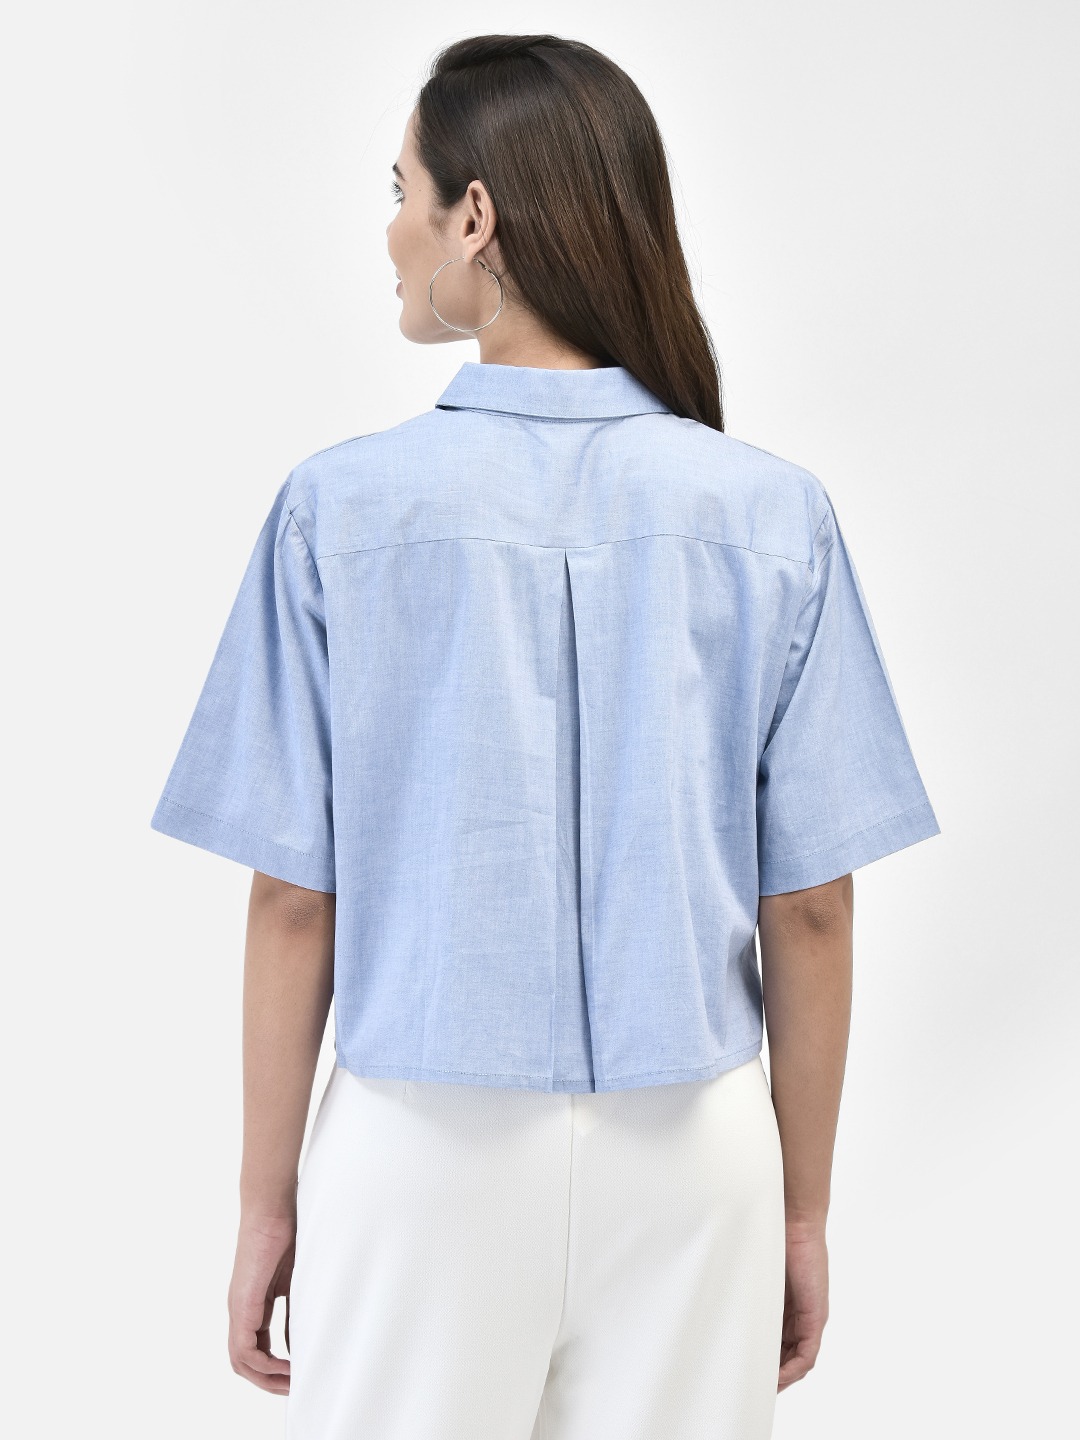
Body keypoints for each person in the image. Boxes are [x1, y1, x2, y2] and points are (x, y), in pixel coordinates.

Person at [149, 32, 940, 1440]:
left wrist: (267, 1206)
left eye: (401, 190)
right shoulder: (773, 516)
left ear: (476, 217)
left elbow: (292, 901)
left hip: (418, 1146)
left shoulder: (340, 510)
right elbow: (813, 905)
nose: (390, 230)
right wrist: (800, 1211)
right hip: (693, 1153)